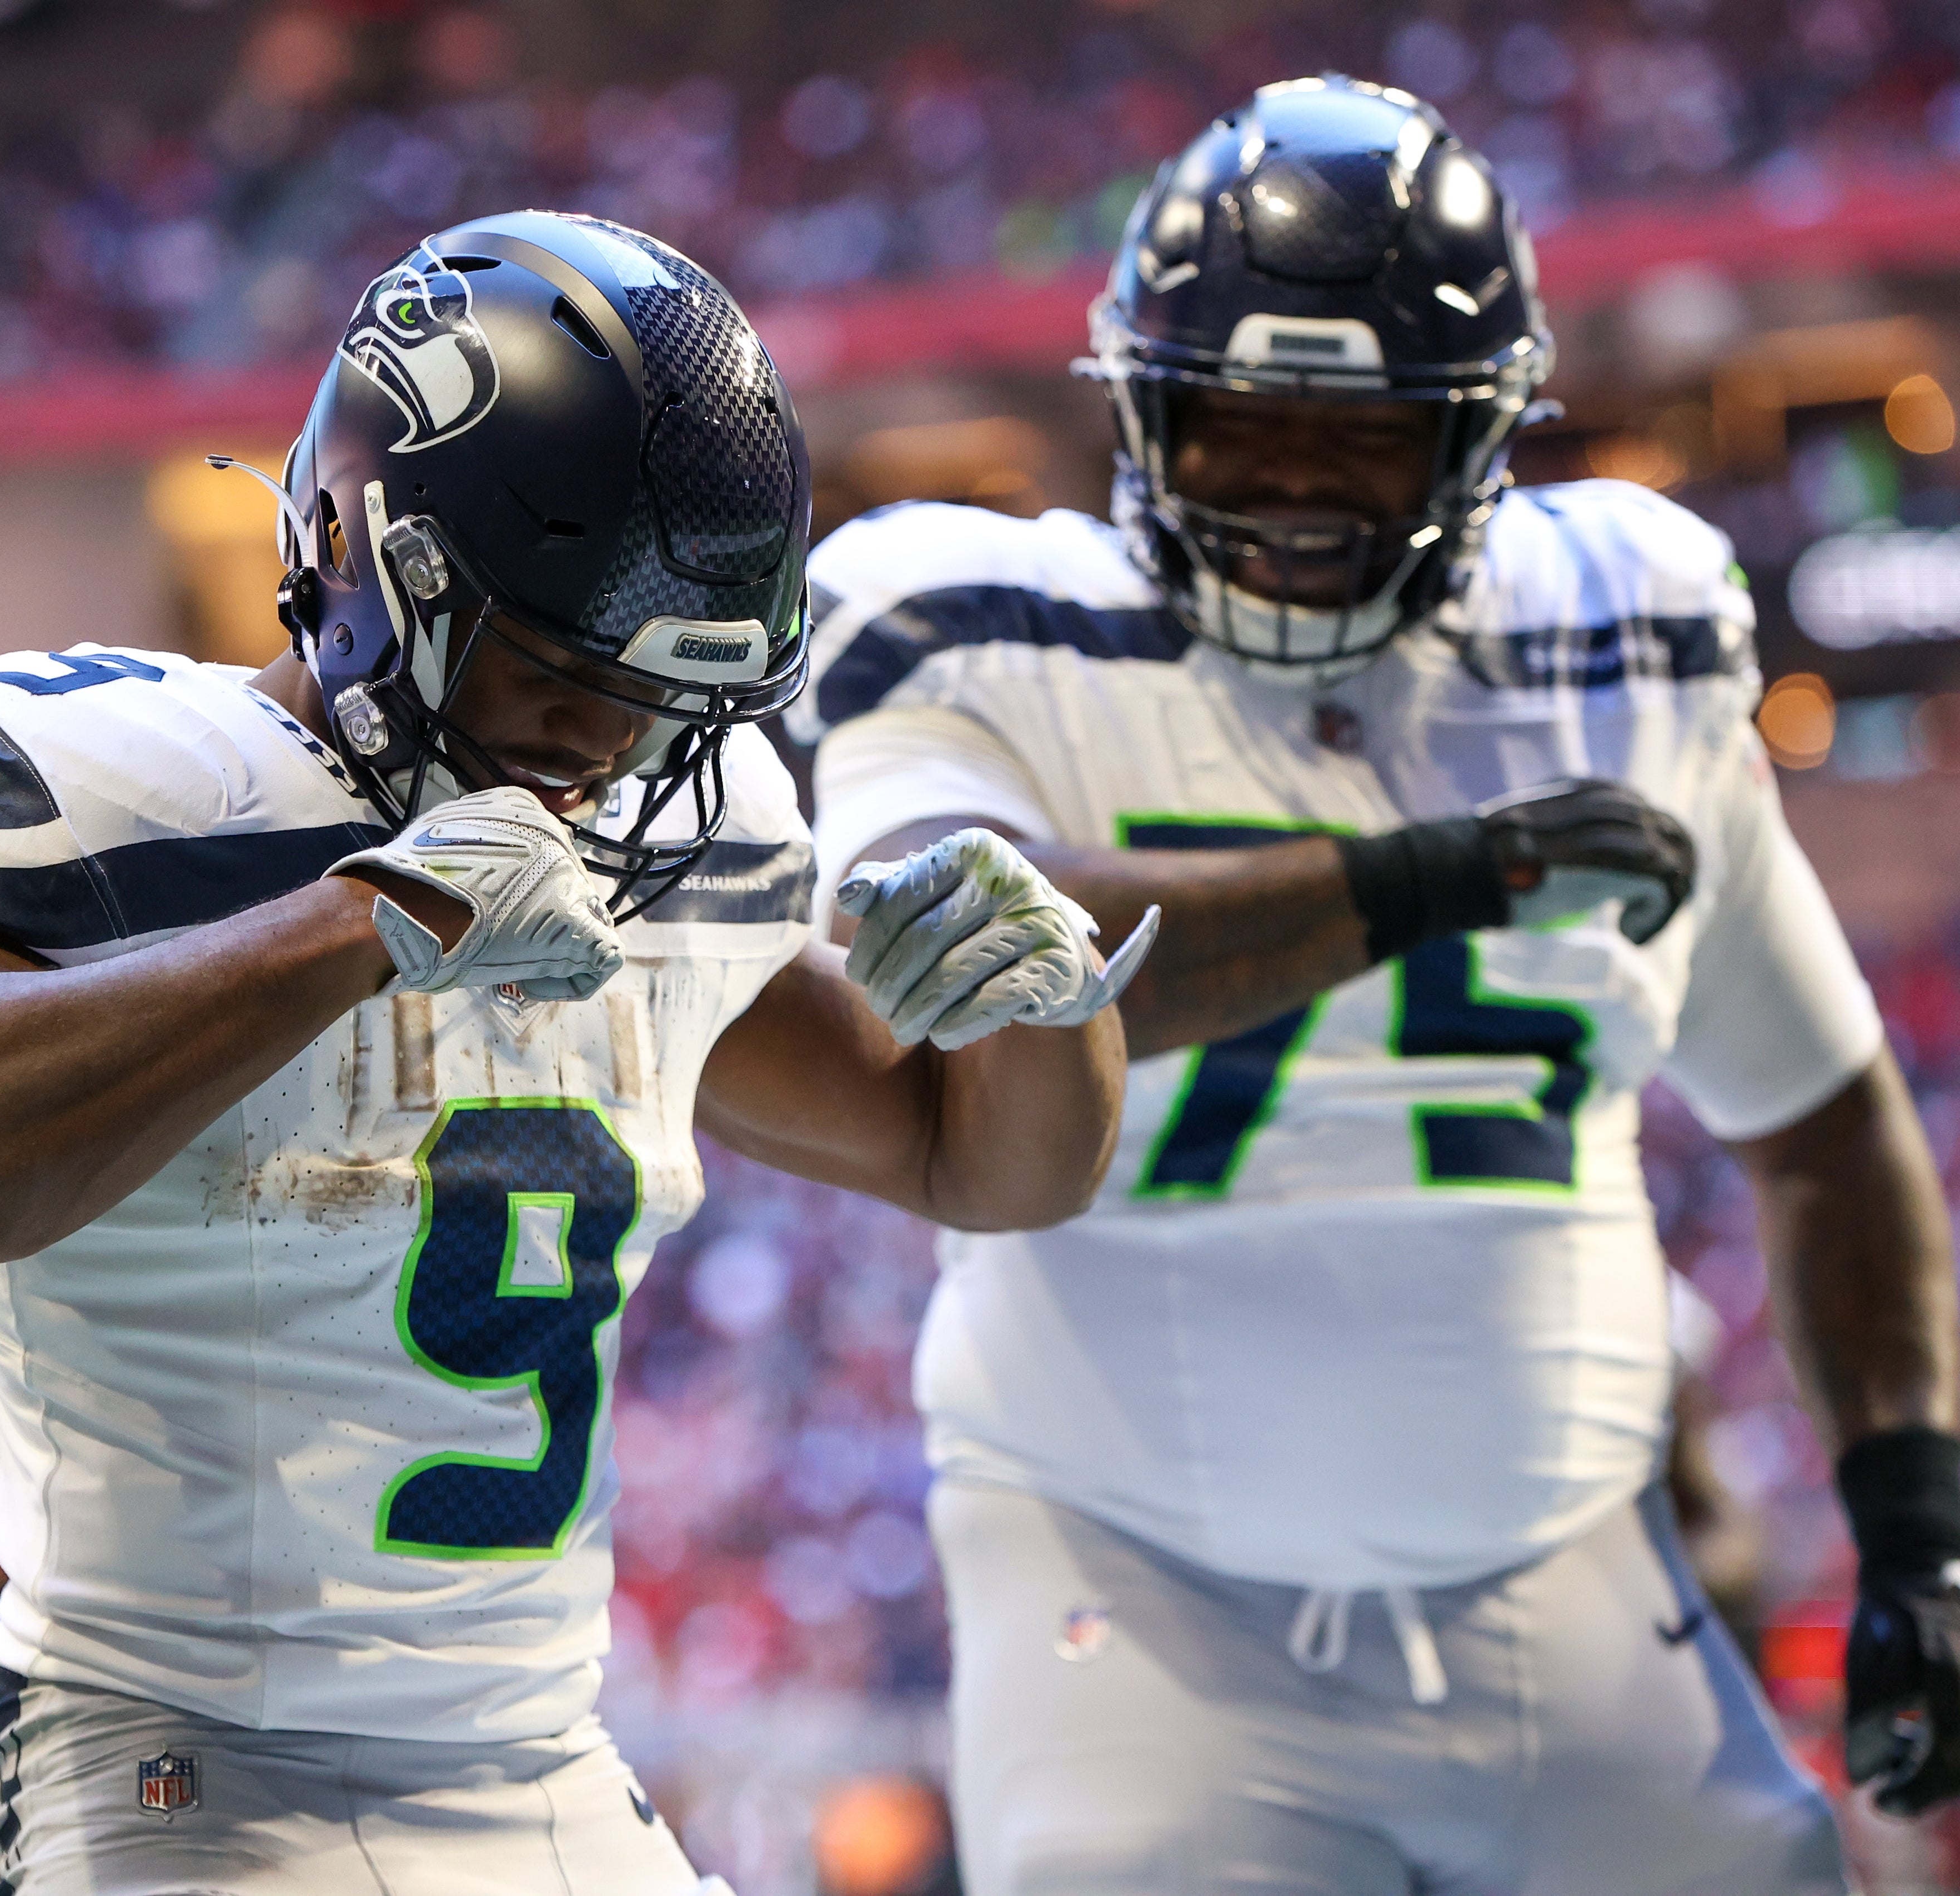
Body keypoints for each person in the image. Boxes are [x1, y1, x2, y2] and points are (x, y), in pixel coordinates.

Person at [0, 210, 1139, 1896]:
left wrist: (1045, 1010)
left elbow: (984, 1162)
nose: (611, 751)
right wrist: (356, 928)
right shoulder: (123, 788)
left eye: (664, 703)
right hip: (174, 1762)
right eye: (566, 676)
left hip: (540, 1751)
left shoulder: (671, 842)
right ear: (371, 562)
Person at [795, 74, 1954, 1895]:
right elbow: (964, 949)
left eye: (1362, 436)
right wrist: (1448, 872)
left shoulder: (1619, 632)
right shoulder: (976, 626)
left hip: (1570, 1559)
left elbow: (1819, 1120)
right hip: (1131, 1577)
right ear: (1142, 413)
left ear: (1481, 441)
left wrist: (1914, 1519)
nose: (1290, 493)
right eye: (1240, 424)